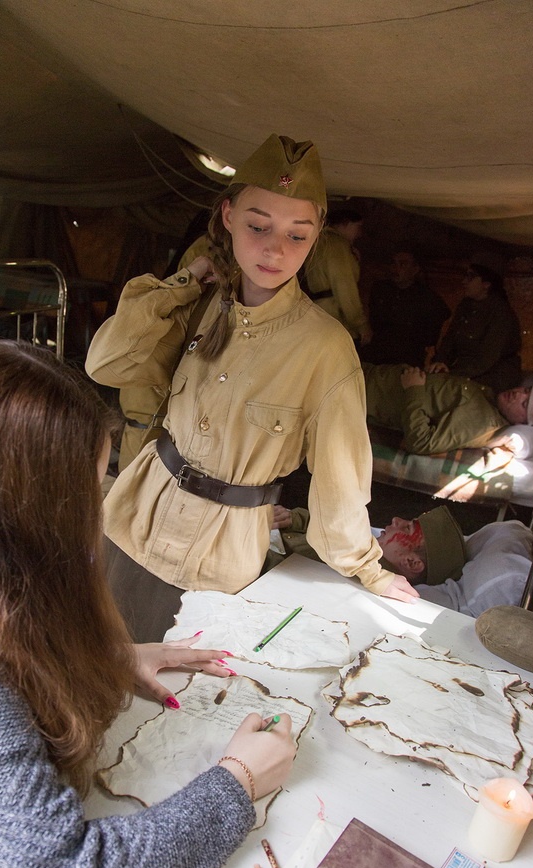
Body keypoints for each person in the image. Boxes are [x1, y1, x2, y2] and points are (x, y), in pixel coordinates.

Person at [0, 341, 296, 868]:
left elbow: (3, 633)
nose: (99, 507)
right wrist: (237, 781)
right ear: (32, 506)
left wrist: (103, 658)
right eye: (90, 486)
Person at [86, 134, 417, 643]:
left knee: (170, 704)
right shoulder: (196, 302)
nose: (275, 249)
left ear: (319, 236)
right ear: (227, 216)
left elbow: (341, 473)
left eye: (297, 236)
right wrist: (186, 281)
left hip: (217, 562)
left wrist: (368, 569)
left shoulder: (324, 348)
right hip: (134, 519)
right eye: (258, 226)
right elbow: (104, 364)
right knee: (91, 659)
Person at [269, 505, 533, 617]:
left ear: (411, 563)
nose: (395, 521)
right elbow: (336, 533)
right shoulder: (368, 547)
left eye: (406, 529)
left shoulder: (362, 576)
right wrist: (297, 518)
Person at [362, 362, 533, 454]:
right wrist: (441, 378)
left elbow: (421, 442)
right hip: (372, 375)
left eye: (525, 403)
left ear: (522, 422)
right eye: (527, 390)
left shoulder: (480, 423)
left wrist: (414, 390)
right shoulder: (490, 400)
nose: (518, 394)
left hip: (366, 393)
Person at [428, 257, 522, 393]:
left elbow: (486, 359)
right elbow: (450, 340)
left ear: (486, 283)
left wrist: (451, 374)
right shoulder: (465, 306)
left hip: (492, 375)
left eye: (471, 277)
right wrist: (439, 363)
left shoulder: (500, 312)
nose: (464, 281)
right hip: (464, 370)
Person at [365, 248, 450, 367]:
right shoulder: (381, 289)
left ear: (415, 269)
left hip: (408, 359)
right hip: (379, 355)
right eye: (394, 263)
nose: (396, 268)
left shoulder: (426, 297)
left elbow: (440, 317)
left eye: (403, 264)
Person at [302, 207, 373, 346]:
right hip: (334, 315)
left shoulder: (320, 242)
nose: (359, 233)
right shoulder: (337, 245)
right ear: (345, 224)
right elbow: (344, 284)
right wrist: (360, 322)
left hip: (318, 313)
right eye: (358, 227)